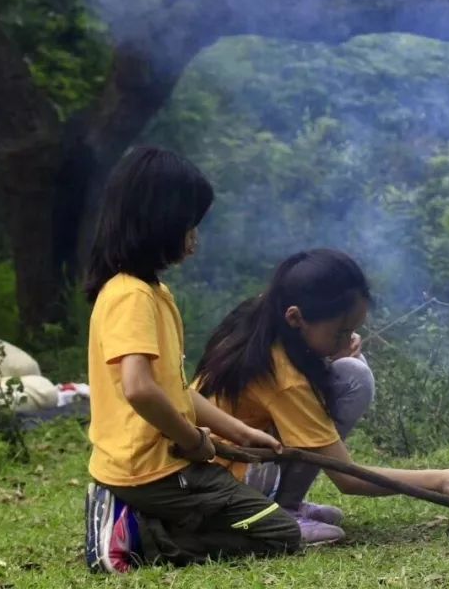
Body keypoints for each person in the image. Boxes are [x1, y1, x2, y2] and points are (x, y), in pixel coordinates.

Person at [83, 146, 301, 574]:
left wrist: (237, 432)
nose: (193, 238)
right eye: (189, 226)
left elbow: (171, 389)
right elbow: (140, 389)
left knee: (262, 519)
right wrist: (193, 441)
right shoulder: (131, 297)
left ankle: (143, 519)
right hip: (153, 468)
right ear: (159, 223)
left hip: (153, 464)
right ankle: (137, 538)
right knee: (280, 534)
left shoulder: (151, 293)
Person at [194, 249, 449, 544]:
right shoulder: (284, 377)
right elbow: (348, 478)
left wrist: (332, 351)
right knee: (354, 377)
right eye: (340, 333)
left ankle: (285, 502)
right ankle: (281, 511)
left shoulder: (265, 315)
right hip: (226, 478)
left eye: (352, 332)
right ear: (296, 318)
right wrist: (442, 480)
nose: (349, 341)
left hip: (230, 461)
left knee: (352, 371)